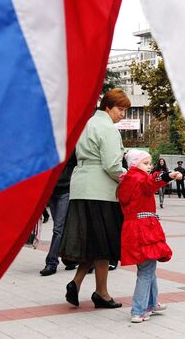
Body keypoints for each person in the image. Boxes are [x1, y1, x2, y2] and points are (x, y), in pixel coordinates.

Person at [58, 88, 131, 309]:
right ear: (107, 107)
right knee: (103, 244)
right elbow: (111, 165)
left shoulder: (87, 124)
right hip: (101, 191)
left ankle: (77, 282)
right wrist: (128, 180)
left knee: (92, 241)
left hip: (81, 187)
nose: (123, 114)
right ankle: (102, 293)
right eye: (120, 109)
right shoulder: (108, 128)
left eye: (125, 110)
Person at [117, 150, 181, 323]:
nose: (149, 166)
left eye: (149, 163)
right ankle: (138, 310)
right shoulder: (140, 178)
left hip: (132, 228)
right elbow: (153, 182)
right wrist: (169, 175)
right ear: (134, 164)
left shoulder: (126, 180)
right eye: (145, 163)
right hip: (145, 228)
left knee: (148, 267)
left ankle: (152, 303)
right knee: (146, 271)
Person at [40, 152, 78, 276]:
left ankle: (51, 262)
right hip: (53, 190)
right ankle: (70, 258)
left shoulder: (72, 147)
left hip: (65, 190)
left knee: (58, 228)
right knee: (61, 227)